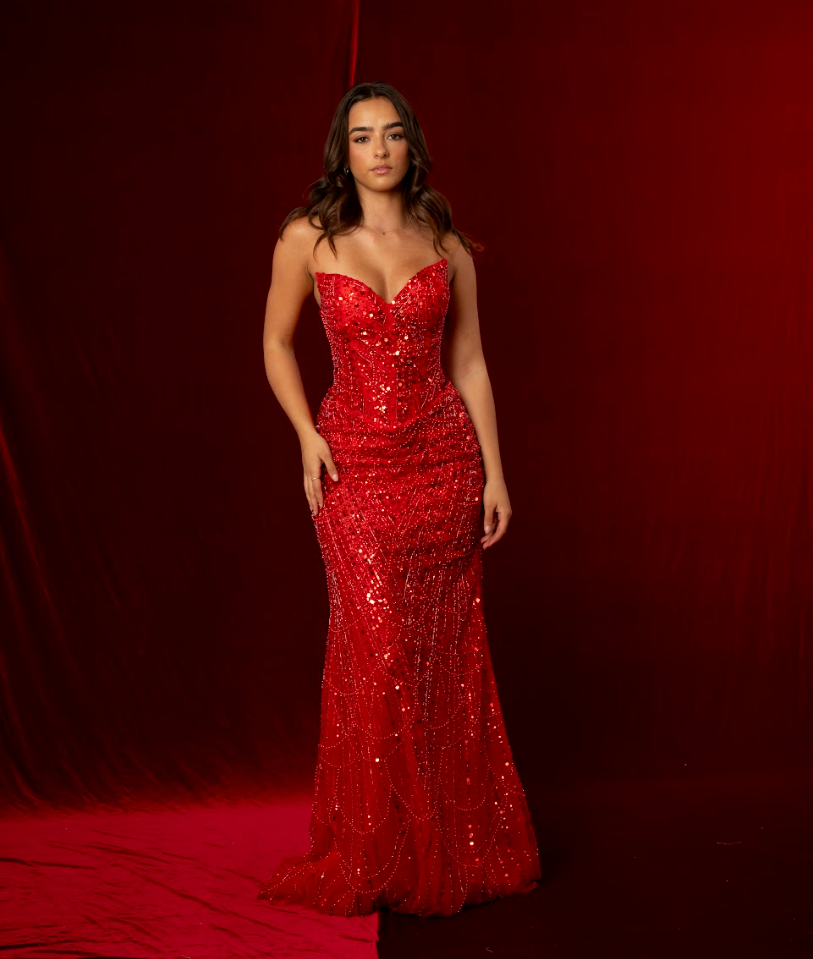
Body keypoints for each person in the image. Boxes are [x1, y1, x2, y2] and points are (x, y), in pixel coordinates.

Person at [257, 81, 541, 918]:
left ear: (410, 147)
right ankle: (376, 846)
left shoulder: (443, 244)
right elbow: (274, 341)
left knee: (442, 660)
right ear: (341, 153)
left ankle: (449, 844)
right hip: (352, 468)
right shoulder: (306, 238)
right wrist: (307, 435)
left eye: (390, 136)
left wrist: (494, 472)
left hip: (442, 464)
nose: (376, 150)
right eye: (359, 138)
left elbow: (471, 365)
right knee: (375, 653)